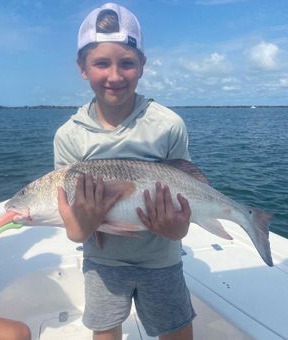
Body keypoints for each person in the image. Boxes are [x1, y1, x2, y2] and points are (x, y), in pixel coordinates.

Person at [55, 3, 196, 339]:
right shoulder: (69, 136)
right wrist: (85, 222)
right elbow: (75, 232)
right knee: (105, 332)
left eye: (127, 63)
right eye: (101, 63)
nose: (115, 76)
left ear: (142, 66)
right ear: (82, 67)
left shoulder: (168, 125)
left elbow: (184, 213)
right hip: (104, 264)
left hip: (162, 259)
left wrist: (176, 230)